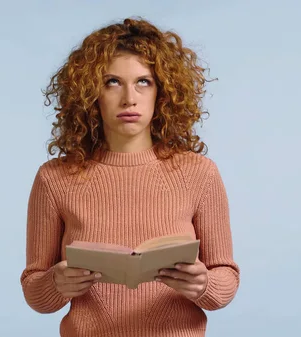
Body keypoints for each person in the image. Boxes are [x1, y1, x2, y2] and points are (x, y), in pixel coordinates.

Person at [20, 17, 240, 337]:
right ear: (90, 93)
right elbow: (34, 290)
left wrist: (203, 284)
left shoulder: (200, 173)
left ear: (162, 92)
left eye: (143, 82)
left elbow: (227, 278)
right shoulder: (54, 179)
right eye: (112, 82)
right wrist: (56, 282)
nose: (129, 98)